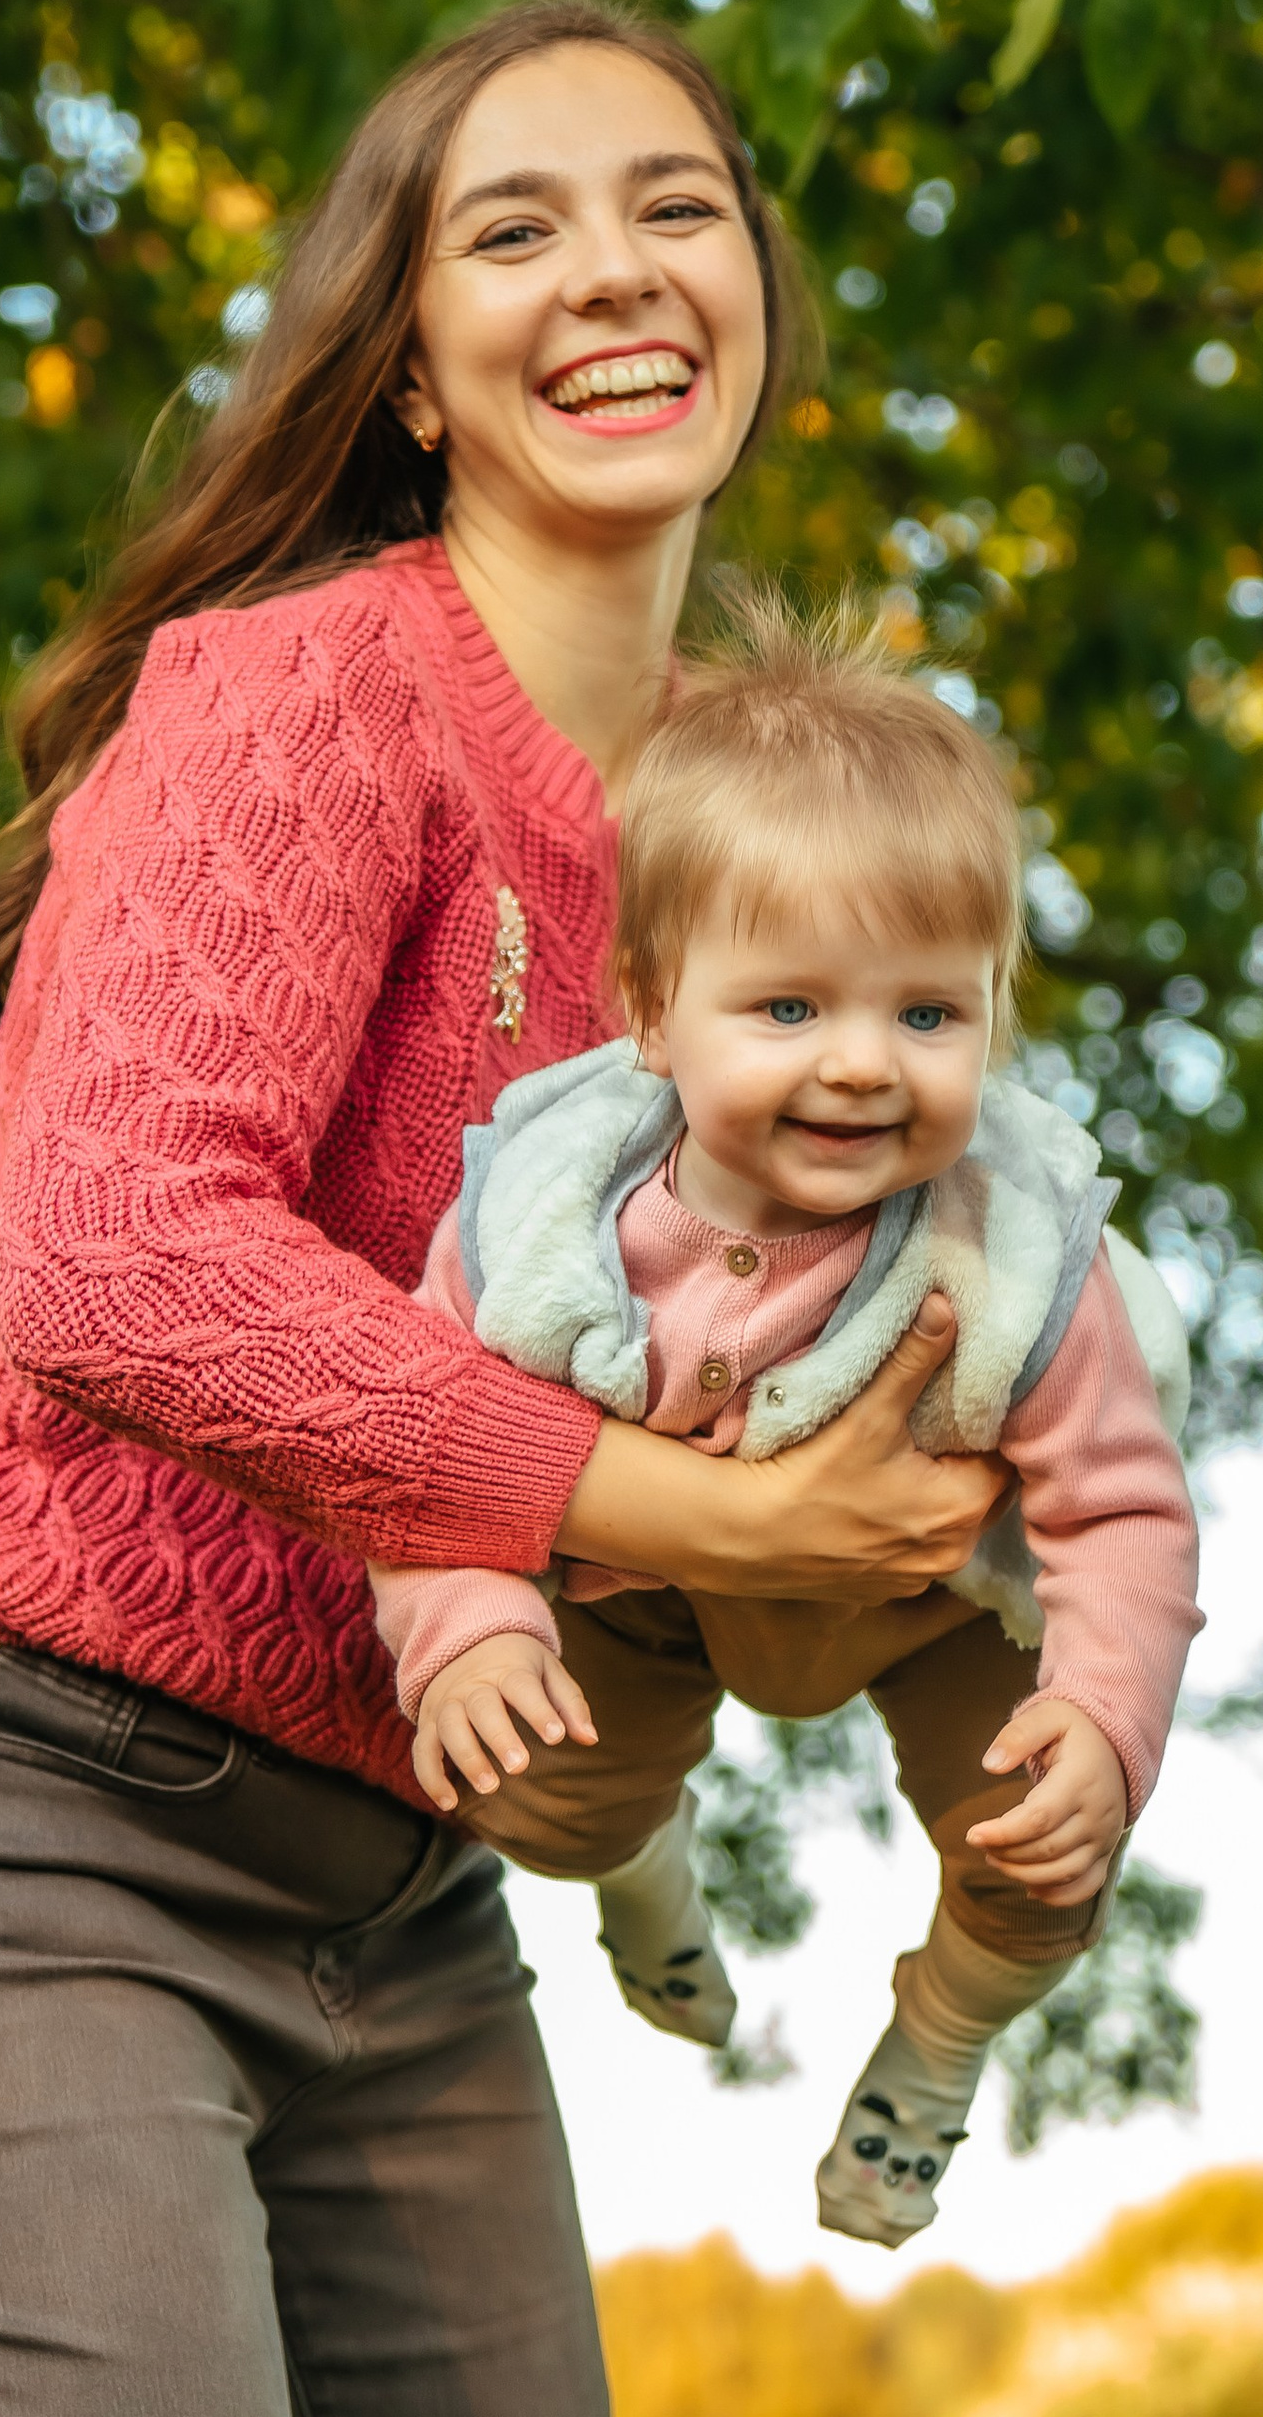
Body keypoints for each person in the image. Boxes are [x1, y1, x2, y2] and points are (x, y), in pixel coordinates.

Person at [0, 0, 1017, 2417]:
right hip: (13, 1834)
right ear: (407, 364)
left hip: (395, 1919)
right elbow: (118, 1259)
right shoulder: (307, 696)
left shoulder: (752, 853)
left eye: (678, 206)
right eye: (515, 227)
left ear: (762, 302)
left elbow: (700, 1369)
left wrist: (896, 1603)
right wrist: (669, 1523)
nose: (617, 275)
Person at [371, 597, 1201, 2252]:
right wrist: (463, 1629)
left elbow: (1124, 1512)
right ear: (651, 1009)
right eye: (789, 1010)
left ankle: (938, 2047)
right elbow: (423, 1443)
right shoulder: (547, 1222)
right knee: (529, 1794)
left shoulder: (1016, 1259)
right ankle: (641, 1874)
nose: (862, 1068)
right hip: (654, 1588)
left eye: (926, 1014)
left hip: (934, 1599)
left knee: (1049, 1865)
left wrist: (1105, 1722)